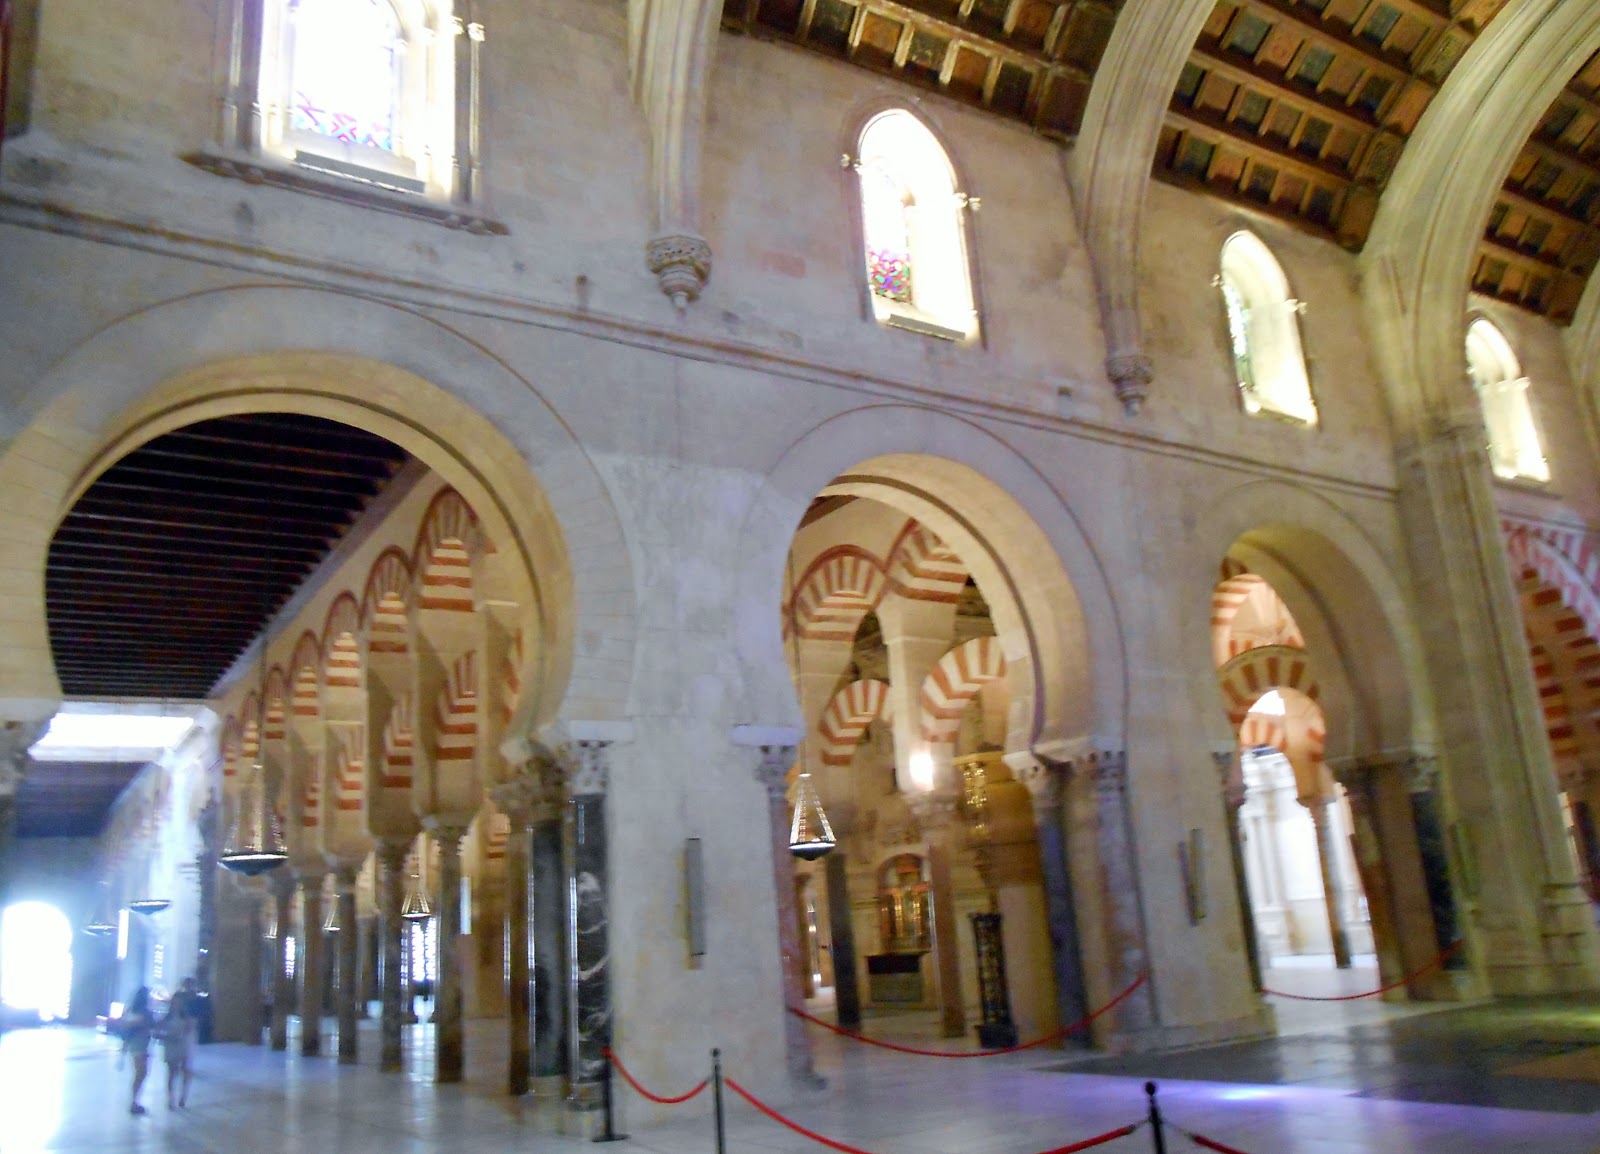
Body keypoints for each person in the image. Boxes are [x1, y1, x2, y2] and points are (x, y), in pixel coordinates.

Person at [161, 977, 200, 1108]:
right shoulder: (169, 1015)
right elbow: (161, 1026)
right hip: (172, 1043)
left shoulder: (190, 1009)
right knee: (172, 1072)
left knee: (185, 1067)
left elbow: (190, 1026)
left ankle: (183, 1095)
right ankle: (171, 1098)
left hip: (183, 1042)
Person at [119, 987, 155, 1115]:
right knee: (141, 1073)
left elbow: (124, 1025)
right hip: (140, 1045)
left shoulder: (130, 1011)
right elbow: (150, 1026)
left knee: (140, 1073)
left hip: (135, 1045)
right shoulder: (145, 1013)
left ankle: (134, 1101)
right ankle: (134, 1102)